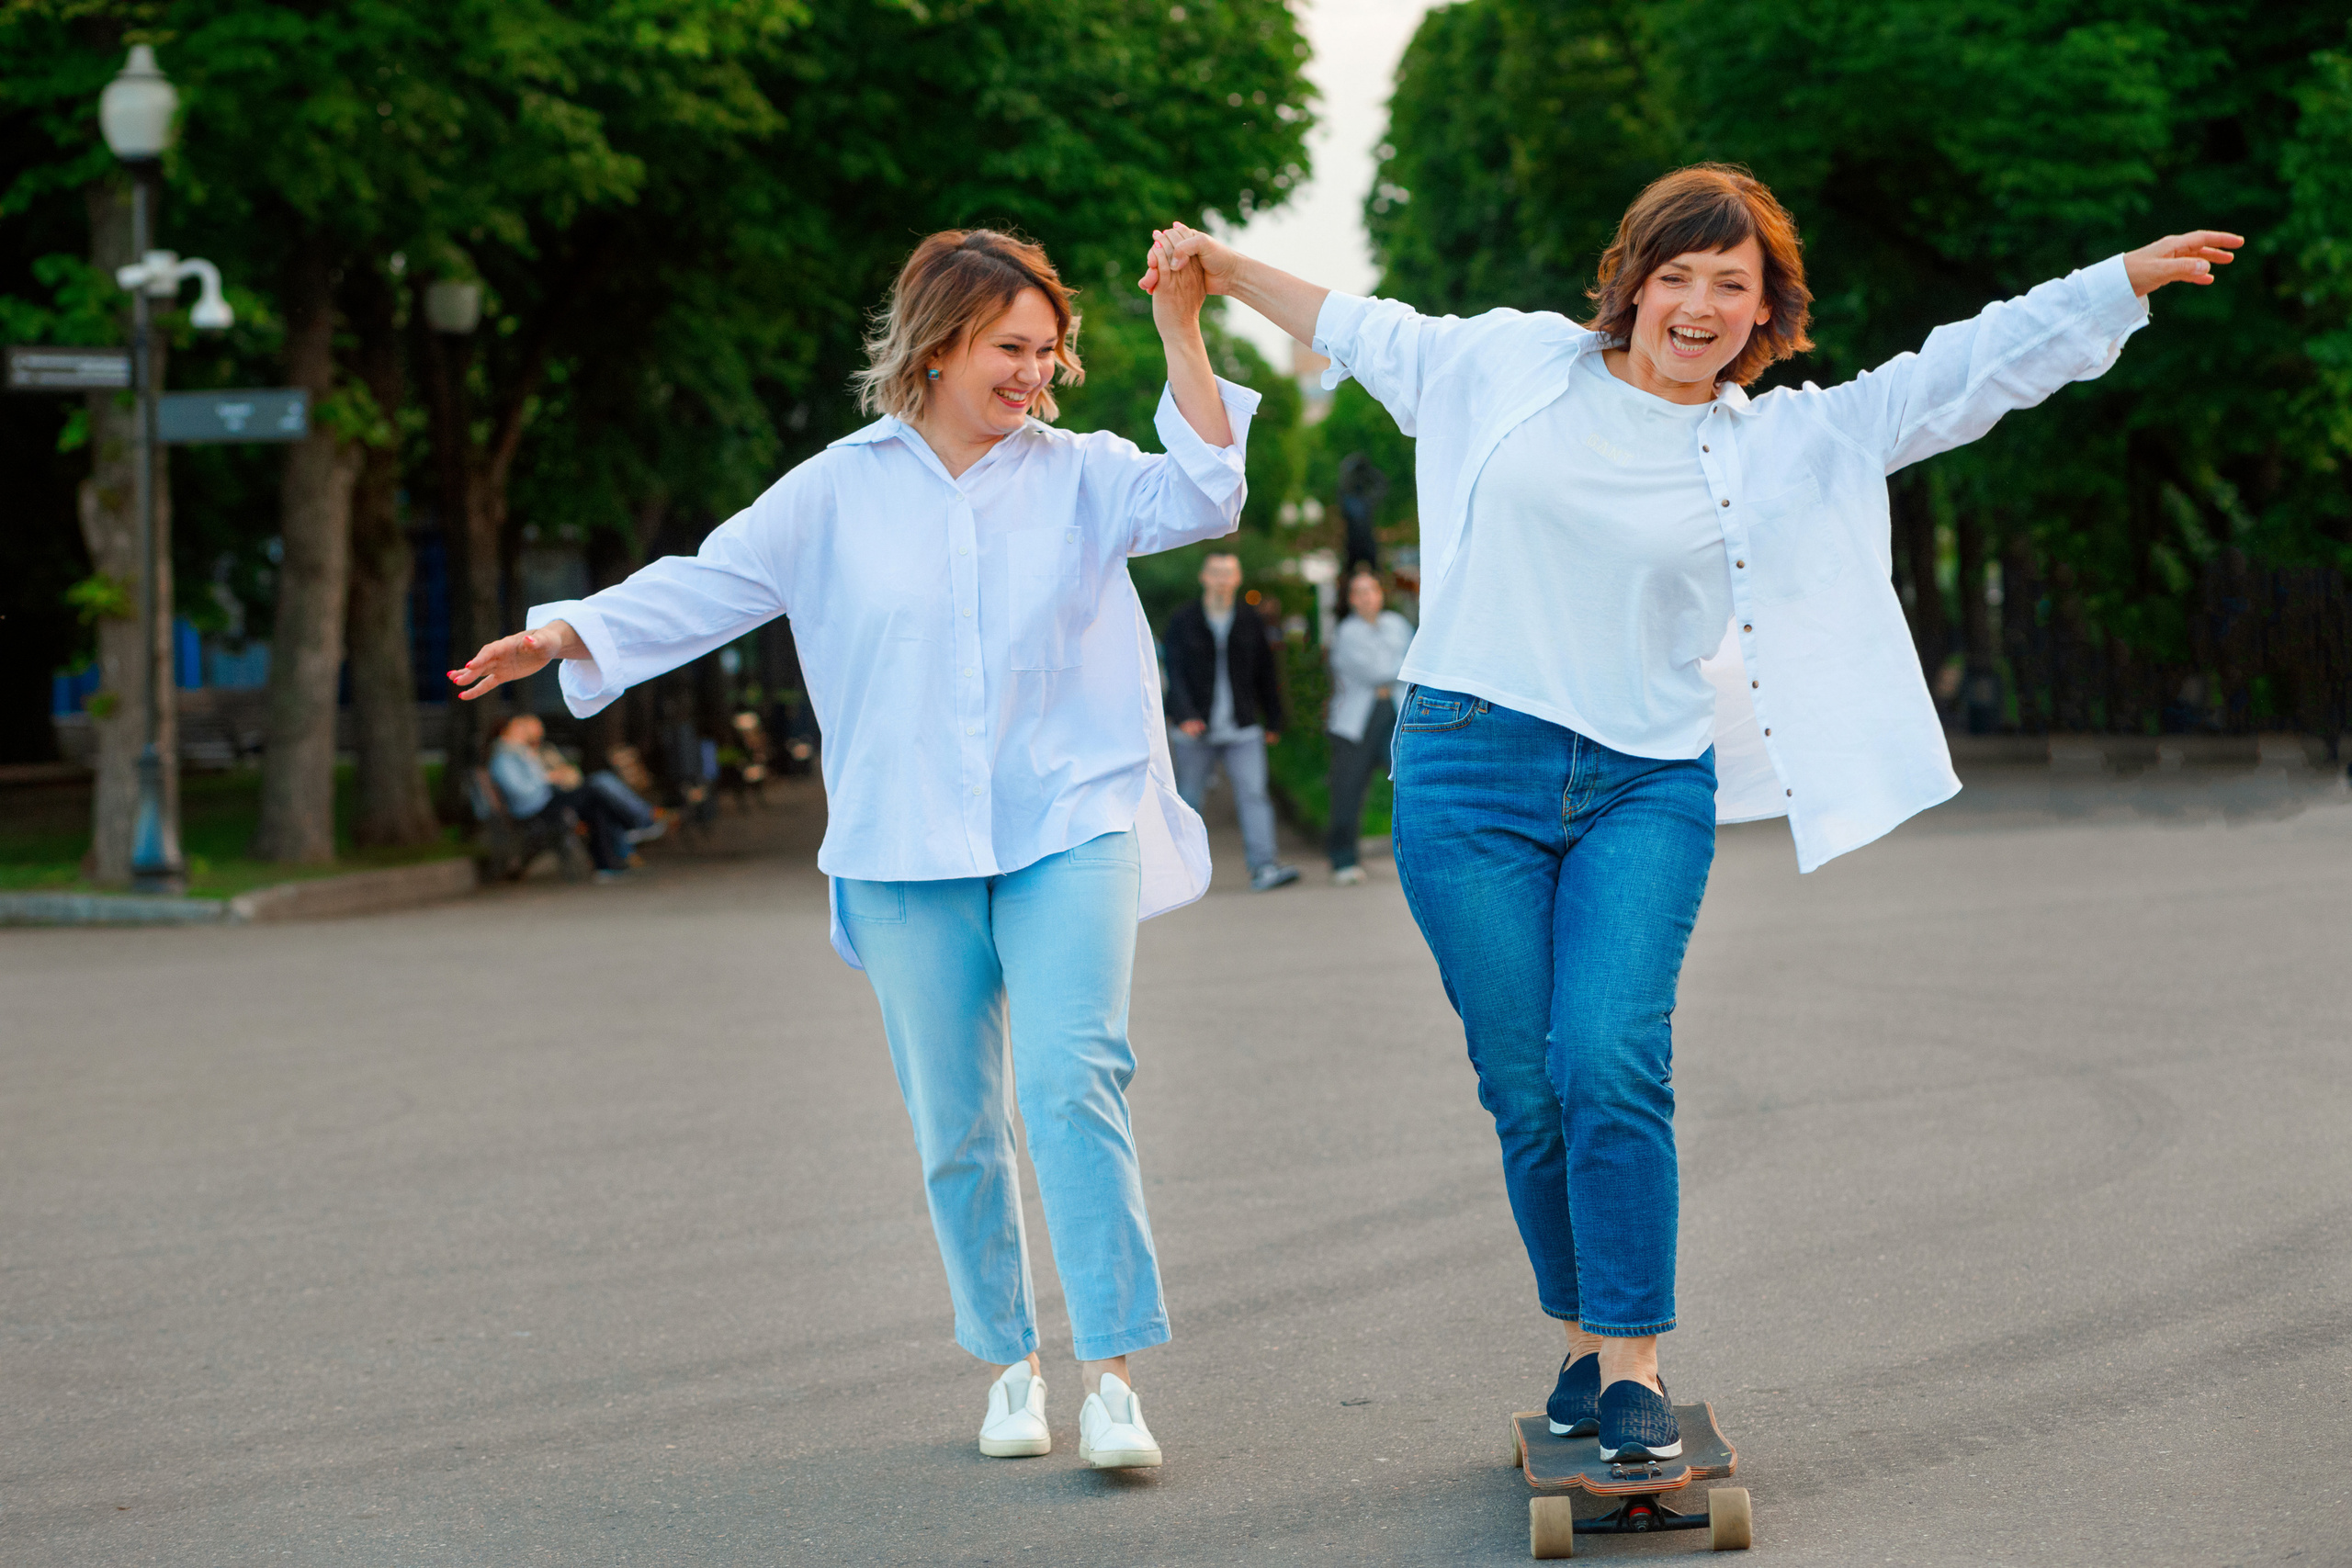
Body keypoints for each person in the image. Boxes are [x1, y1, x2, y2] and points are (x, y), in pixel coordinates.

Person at [1146, 169, 2237, 1460]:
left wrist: (2115, 285)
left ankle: (1632, 1362)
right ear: (1633, 284)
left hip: (1645, 781)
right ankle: (1578, 1336)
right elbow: (1349, 319)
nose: (1699, 306)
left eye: (1732, 283)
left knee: (1607, 1053)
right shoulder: (1506, 365)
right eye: (1677, 277)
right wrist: (1220, 270)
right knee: (1523, 1082)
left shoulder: (1781, 442)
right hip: (1466, 767)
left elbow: (1958, 372)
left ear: (1767, 309)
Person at [450, 226, 1260, 1471]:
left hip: (1067, 818)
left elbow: (1208, 492)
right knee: (956, 1123)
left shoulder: (1085, 475)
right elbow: (710, 582)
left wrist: (1181, 326)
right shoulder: (834, 491)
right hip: (902, 839)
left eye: (1047, 351)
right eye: (1008, 348)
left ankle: (1111, 1376)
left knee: (1072, 1077)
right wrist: (566, 633)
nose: (1033, 373)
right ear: (937, 345)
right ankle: (1009, 1364)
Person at [1162, 553, 1300, 891]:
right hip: (1195, 729)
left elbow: (1267, 673)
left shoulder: (1251, 621)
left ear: (1238, 579)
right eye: (1216, 573)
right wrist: (1184, 714)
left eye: (1229, 574)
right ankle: (1176, 872)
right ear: (1204, 577)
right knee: (1187, 799)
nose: (1223, 580)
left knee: (1254, 795)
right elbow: (1173, 673)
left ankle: (1264, 867)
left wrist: (1274, 719)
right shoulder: (1183, 620)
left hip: (1242, 726)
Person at [1323, 566, 1412, 885]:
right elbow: (1376, 671)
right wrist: (1400, 665)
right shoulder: (1347, 632)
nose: (1366, 597)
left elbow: (1414, 662)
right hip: (1355, 722)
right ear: (1351, 599)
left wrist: (1397, 666)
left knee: (1409, 783)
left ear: (1380, 594)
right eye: (1359, 592)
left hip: (1395, 714)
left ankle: (1417, 855)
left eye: (1371, 590)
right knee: (1347, 791)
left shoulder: (1397, 624)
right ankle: (1343, 861)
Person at [486, 713, 634, 879]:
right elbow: (520, 791)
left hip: (545, 800)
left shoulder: (520, 752)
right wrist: (548, 778)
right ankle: (632, 823)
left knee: (595, 804)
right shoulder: (504, 758)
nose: (524, 731)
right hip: (534, 807)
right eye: (519, 727)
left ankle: (607, 862)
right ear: (504, 732)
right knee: (594, 789)